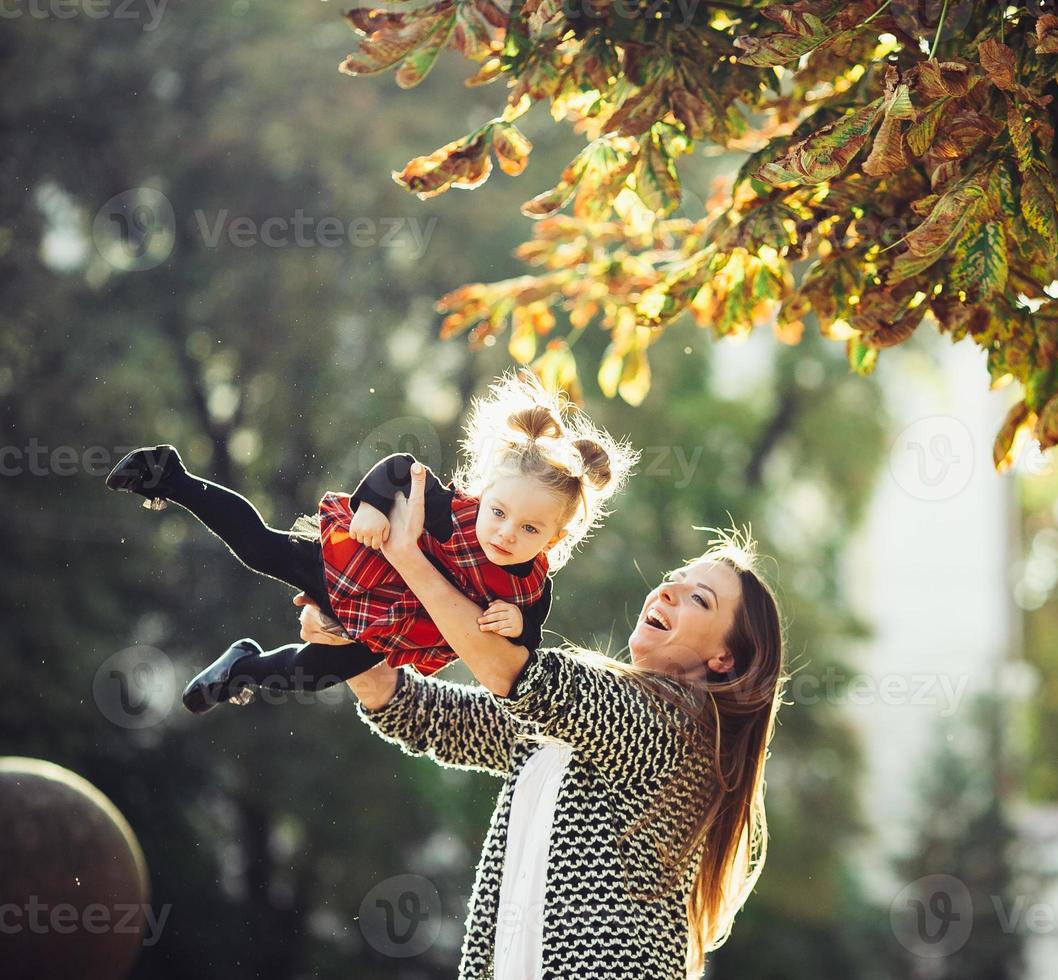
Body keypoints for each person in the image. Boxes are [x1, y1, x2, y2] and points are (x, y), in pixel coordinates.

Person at [300, 461, 785, 978]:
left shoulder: (678, 729)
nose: (666, 592)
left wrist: (408, 558)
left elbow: (517, 675)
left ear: (725, 659)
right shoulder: (581, 727)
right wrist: (348, 640)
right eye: (674, 580)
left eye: (698, 599)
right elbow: (425, 716)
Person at [103, 372, 633, 713]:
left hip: (389, 632)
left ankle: (246, 666)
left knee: (310, 675)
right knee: (261, 549)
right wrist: (372, 504)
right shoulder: (452, 510)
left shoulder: (532, 586)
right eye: (499, 512)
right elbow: (399, 467)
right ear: (484, 492)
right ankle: (172, 480)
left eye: (529, 530)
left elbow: (529, 640)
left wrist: (519, 625)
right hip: (357, 567)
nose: (505, 533)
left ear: (556, 538)